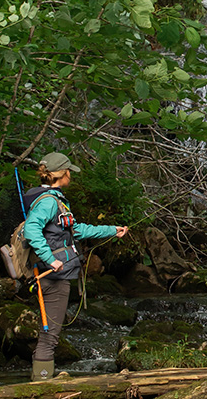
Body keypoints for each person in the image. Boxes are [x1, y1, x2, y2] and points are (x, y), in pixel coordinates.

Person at [23, 151, 128, 381]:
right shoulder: (50, 202)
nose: (71, 176)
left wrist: (112, 230)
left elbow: (76, 230)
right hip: (52, 276)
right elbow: (31, 230)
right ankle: (40, 385)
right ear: (63, 174)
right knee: (49, 337)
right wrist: (51, 259)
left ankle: (40, 380)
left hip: (53, 275)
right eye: (69, 172)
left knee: (48, 333)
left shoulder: (52, 199)